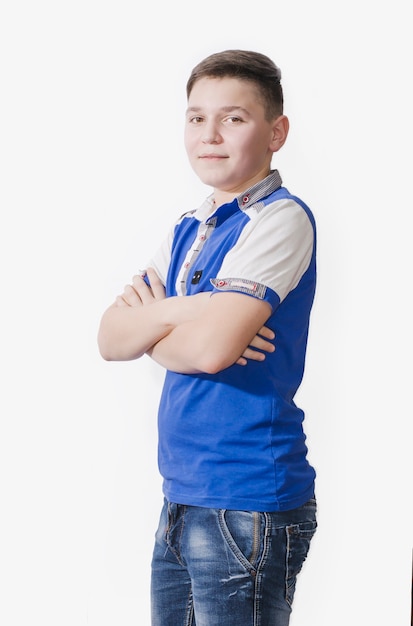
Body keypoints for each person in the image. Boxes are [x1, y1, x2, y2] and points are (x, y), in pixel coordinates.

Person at [98, 49, 318, 626]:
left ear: (277, 132)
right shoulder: (187, 230)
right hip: (182, 493)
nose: (209, 134)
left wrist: (159, 329)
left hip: (246, 500)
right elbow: (111, 336)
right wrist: (194, 309)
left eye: (233, 118)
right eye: (196, 118)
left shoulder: (279, 220)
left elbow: (212, 349)